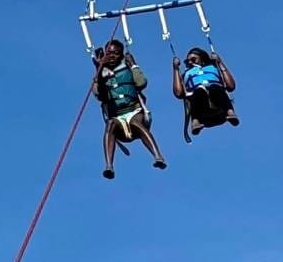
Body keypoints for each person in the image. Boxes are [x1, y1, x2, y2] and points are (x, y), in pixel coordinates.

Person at [93, 40, 166, 179]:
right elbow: (100, 95)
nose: (112, 56)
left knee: (136, 123)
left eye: (116, 53)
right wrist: (99, 68)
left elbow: (141, 83)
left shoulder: (127, 67)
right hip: (116, 116)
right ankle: (109, 166)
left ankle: (158, 156)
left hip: (134, 110)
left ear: (121, 55)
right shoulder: (101, 74)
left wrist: (133, 65)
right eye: (109, 53)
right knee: (110, 125)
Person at [172, 47, 239, 136]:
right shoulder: (186, 74)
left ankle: (229, 111)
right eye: (188, 62)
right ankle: (196, 121)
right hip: (202, 109)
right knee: (199, 91)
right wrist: (176, 69)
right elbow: (178, 93)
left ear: (202, 58)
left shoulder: (213, 68)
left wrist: (219, 62)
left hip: (218, 106)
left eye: (193, 59)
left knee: (215, 88)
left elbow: (231, 86)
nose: (191, 62)